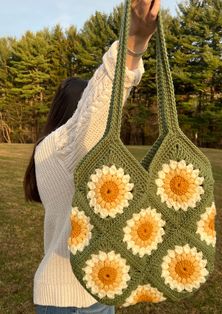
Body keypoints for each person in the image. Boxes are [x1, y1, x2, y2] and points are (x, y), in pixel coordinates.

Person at [23, 1, 161, 313]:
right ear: (77, 108)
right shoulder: (64, 144)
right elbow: (93, 112)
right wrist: (134, 45)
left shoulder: (45, 149)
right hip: (82, 296)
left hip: (61, 289)